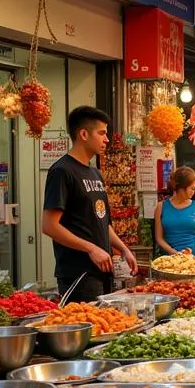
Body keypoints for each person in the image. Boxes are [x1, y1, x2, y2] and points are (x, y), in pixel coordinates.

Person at [42, 105, 137, 302]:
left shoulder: (95, 173)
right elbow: (49, 226)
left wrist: (124, 248)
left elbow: (103, 222)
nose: (107, 139)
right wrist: (91, 248)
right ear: (83, 134)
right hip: (78, 274)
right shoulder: (62, 171)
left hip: (104, 270)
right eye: (102, 133)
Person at [155, 167, 195, 258]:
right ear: (181, 188)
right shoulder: (161, 207)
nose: (193, 192)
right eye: (192, 188)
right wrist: (174, 253)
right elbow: (159, 238)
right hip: (169, 260)